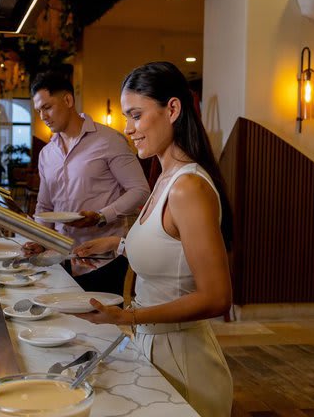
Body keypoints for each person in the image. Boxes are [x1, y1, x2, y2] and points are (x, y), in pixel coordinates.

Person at [72, 61, 233, 417]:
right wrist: (116, 245)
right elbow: (170, 245)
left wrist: (127, 317)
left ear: (172, 109)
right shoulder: (163, 176)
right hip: (154, 347)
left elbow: (218, 296)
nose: (127, 128)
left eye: (135, 115)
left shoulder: (188, 186)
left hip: (184, 363)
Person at [25, 70, 150, 296]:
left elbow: (140, 191)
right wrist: (40, 241)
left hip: (102, 263)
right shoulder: (46, 154)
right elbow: (45, 208)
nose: (42, 116)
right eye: (38, 110)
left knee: (103, 330)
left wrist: (102, 216)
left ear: (68, 100)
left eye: (47, 107)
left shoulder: (109, 141)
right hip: (60, 262)